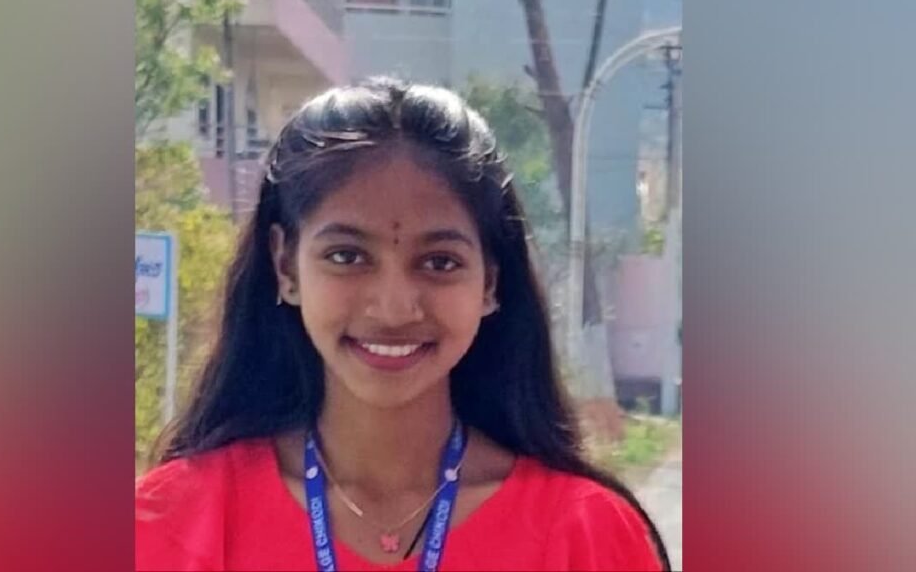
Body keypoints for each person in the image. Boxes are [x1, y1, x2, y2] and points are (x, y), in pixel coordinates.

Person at [135, 77, 669, 572]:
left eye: (439, 262)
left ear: (490, 282)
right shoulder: (169, 525)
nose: (393, 310)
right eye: (347, 256)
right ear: (286, 267)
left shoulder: (586, 536)